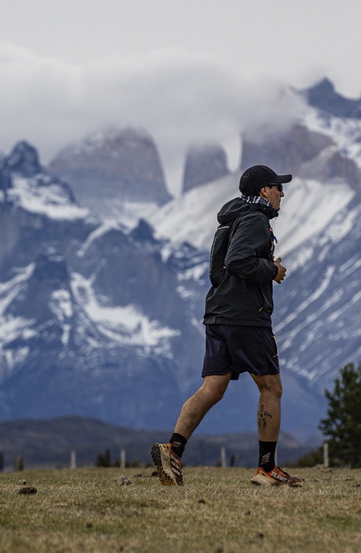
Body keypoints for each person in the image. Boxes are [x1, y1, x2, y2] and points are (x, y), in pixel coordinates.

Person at [151, 164, 303, 487]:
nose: (282, 194)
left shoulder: (230, 220)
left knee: (213, 387)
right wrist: (270, 271)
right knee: (271, 387)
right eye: (278, 187)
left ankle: (172, 450)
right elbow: (237, 261)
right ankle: (266, 468)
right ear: (264, 191)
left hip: (218, 316)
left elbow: (218, 273)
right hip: (246, 319)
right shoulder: (256, 220)